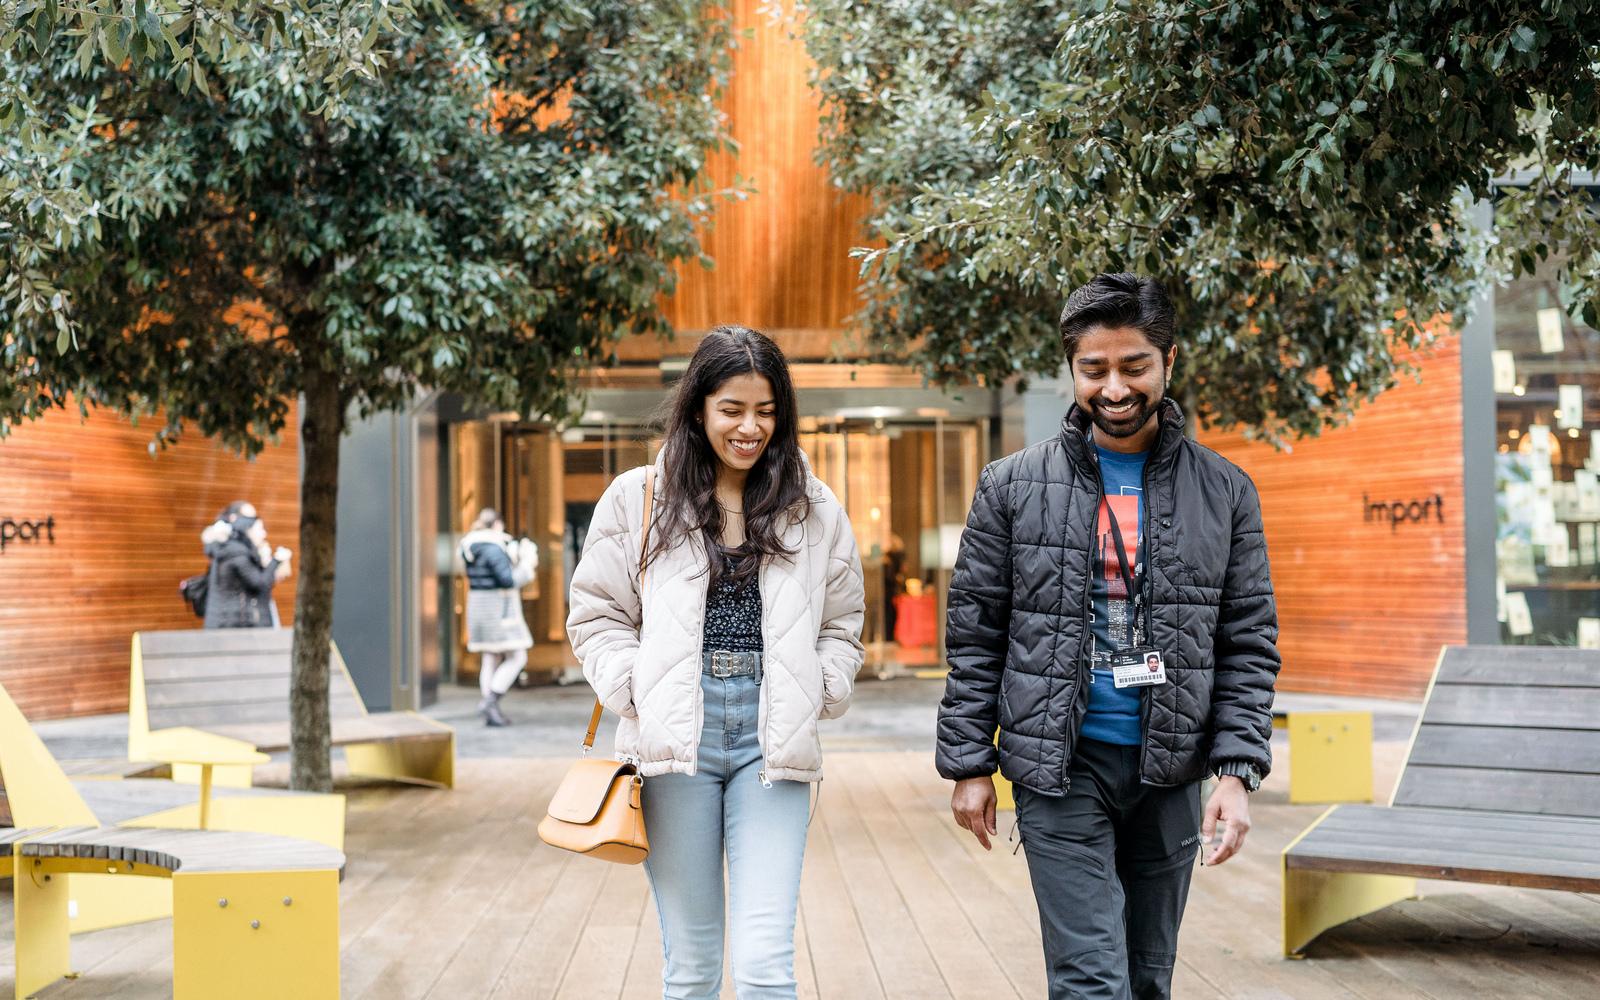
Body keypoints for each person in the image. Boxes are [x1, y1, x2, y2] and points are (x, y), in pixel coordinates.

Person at [935, 273, 1280, 1000]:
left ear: (1169, 363)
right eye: (1095, 370)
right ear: (1072, 370)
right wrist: (969, 762)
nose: (1115, 388)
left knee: (1148, 979)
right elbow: (975, 635)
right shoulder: (1010, 487)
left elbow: (1247, 640)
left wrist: (1236, 770)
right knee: (1092, 980)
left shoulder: (1225, 491)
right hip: (1060, 766)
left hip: (1172, 770)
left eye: (1134, 367)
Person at [567, 324, 865, 1000]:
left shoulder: (813, 505)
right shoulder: (639, 496)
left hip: (773, 739)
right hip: (676, 741)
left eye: (765, 411)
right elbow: (596, 614)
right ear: (699, 408)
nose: (749, 427)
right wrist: (635, 689)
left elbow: (844, 619)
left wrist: (824, 682)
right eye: (732, 409)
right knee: (694, 967)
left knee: (765, 966)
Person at [459, 509, 538, 727]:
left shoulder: (470, 545)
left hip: (478, 607)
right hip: (498, 610)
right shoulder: (492, 547)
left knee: (490, 658)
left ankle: (490, 709)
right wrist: (526, 565)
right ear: (496, 525)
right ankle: (491, 700)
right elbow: (507, 580)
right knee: (517, 656)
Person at [204, 514, 291, 628]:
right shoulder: (238, 555)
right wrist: (276, 561)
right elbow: (259, 583)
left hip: (227, 619)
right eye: (260, 529)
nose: (264, 533)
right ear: (248, 531)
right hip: (230, 622)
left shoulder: (232, 551)